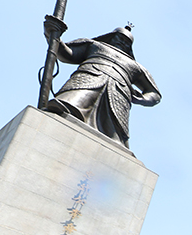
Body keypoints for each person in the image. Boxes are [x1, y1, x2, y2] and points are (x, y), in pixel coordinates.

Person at [42, 21, 161, 149]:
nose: (122, 42)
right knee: (69, 104)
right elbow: (67, 53)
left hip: (119, 92)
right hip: (89, 78)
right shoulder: (94, 45)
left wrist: (141, 98)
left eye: (126, 42)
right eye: (120, 38)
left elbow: (154, 93)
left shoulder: (136, 66)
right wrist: (53, 35)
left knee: (115, 136)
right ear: (111, 36)